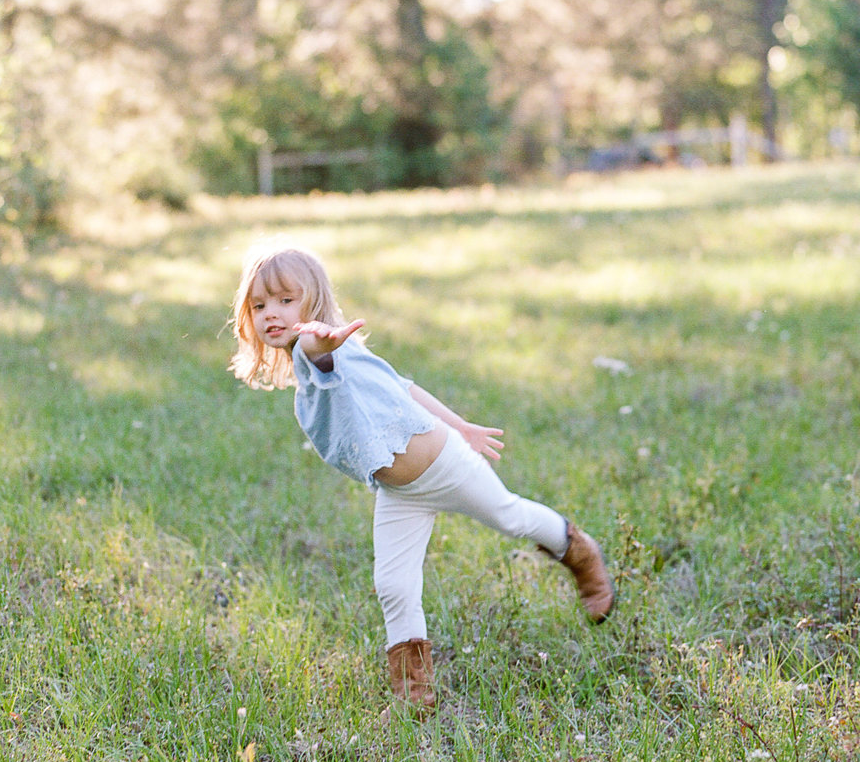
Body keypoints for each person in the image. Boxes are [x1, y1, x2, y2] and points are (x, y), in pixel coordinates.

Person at [228, 243, 615, 707]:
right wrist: (463, 423)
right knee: (392, 583)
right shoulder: (316, 361)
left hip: (447, 467)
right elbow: (402, 387)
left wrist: (461, 429)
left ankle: (584, 558)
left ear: (313, 303)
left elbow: (323, 351)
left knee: (511, 517)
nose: (272, 313)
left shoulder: (323, 350)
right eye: (259, 305)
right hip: (399, 491)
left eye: (285, 301)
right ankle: (415, 692)